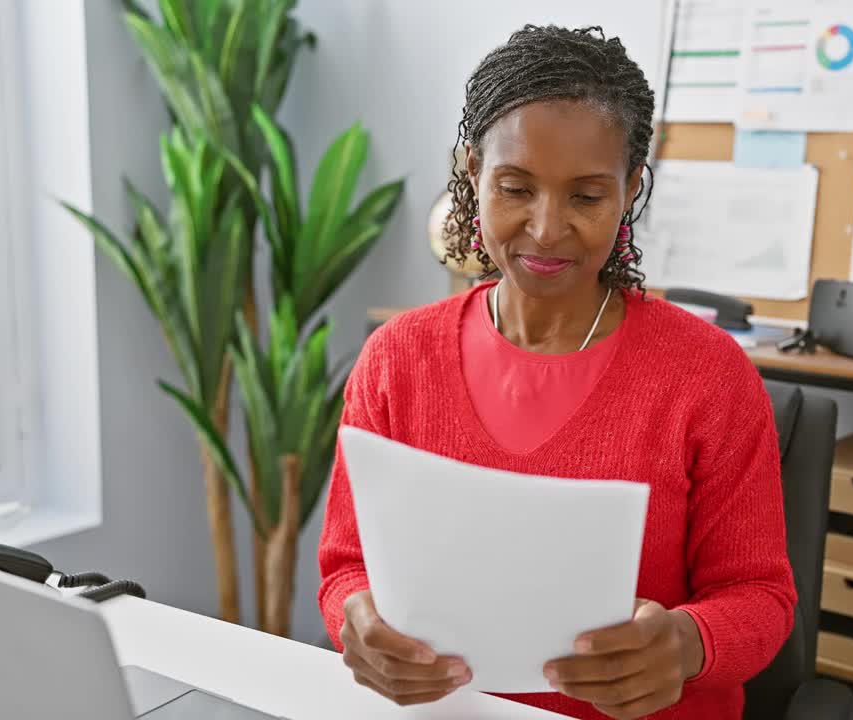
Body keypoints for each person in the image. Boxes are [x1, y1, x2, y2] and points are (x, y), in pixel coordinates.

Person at [318, 24, 795, 720]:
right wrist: (356, 622)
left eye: (586, 196)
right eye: (515, 188)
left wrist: (689, 643)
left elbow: (761, 596)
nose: (545, 229)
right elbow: (346, 566)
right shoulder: (397, 360)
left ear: (631, 189)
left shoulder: (709, 377)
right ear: (473, 172)